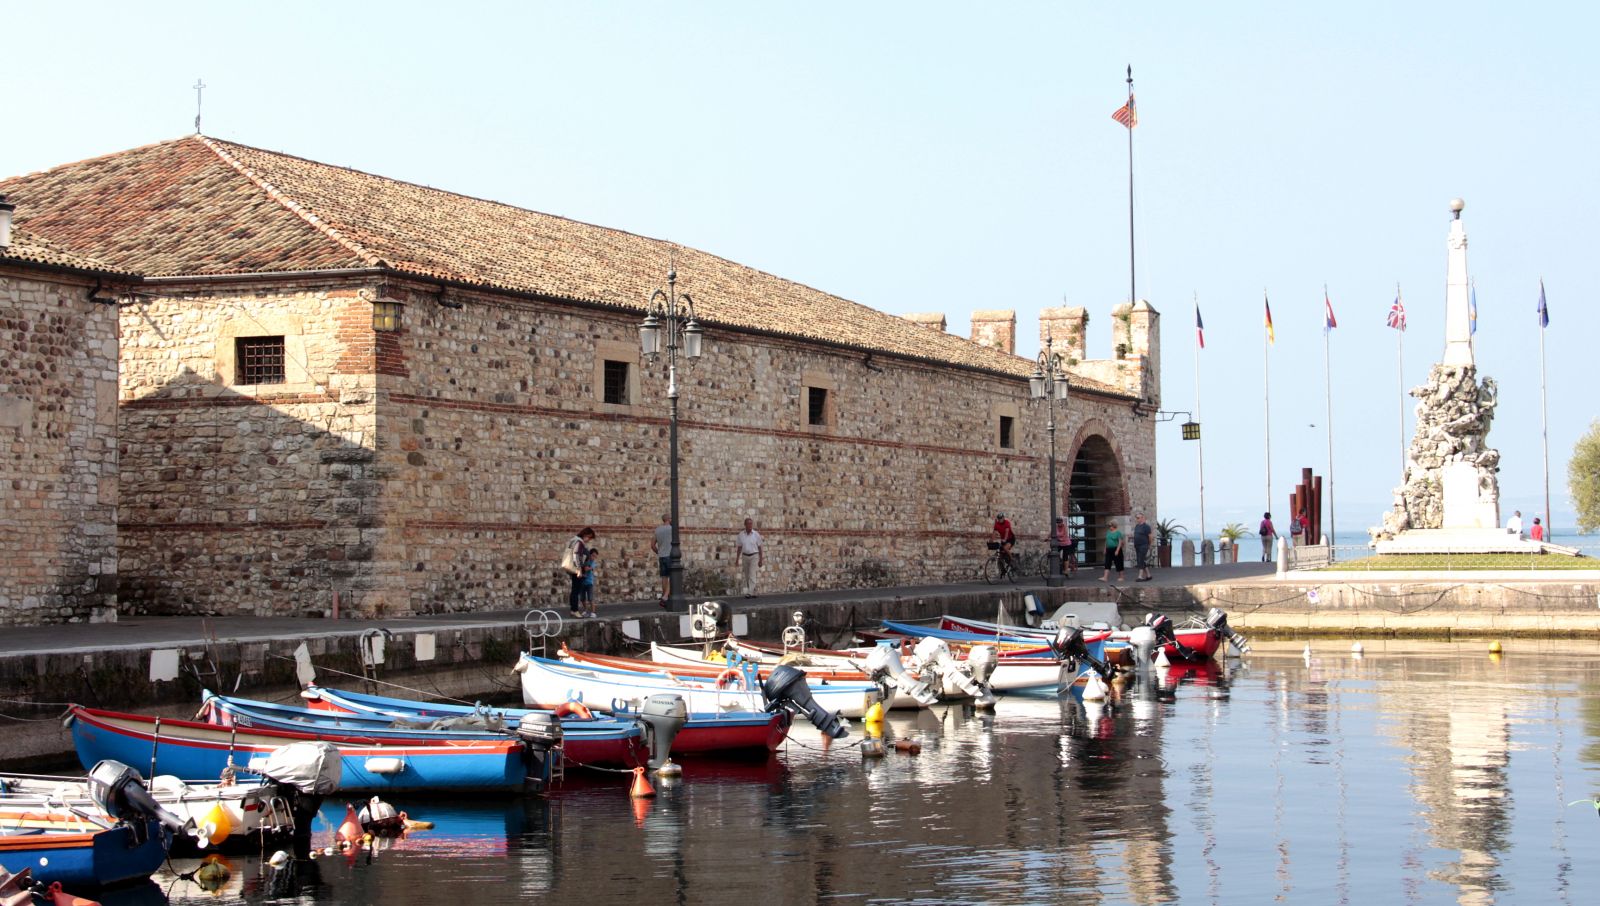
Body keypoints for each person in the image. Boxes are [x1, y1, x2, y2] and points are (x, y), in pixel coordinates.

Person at [564, 526, 596, 617]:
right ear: (586, 535)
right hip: (576, 569)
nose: (588, 540)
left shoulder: (574, 540)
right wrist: (579, 570)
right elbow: (576, 556)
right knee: (576, 590)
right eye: (589, 538)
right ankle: (575, 610)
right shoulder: (579, 542)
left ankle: (573, 610)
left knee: (574, 589)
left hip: (573, 569)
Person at [734, 517, 764, 598]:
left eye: (751, 524)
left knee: (752, 574)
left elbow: (760, 547)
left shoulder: (756, 534)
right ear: (745, 525)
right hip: (745, 556)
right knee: (747, 575)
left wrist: (761, 559)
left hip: (754, 556)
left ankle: (749, 593)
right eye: (748, 524)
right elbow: (739, 547)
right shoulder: (741, 535)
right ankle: (753, 591)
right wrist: (737, 559)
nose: (750, 525)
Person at [651, 514, 674, 608]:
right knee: (673, 577)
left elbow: (652, 545)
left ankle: (665, 599)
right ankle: (665, 597)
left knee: (664, 578)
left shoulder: (657, 530)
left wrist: (659, 552)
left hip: (662, 556)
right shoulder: (672, 529)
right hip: (670, 556)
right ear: (668, 519)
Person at [577, 548, 599, 618]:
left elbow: (587, 569)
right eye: (593, 555)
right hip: (582, 583)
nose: (593, 558)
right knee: (582, 598)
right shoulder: (585, 560)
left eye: (595, 556)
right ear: (589, 555)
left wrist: (585, 568)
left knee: (590, 598)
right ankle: (585, 610)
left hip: (589, 583)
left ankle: (593, 612)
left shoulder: (592, 563)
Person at [1132, 513, 1153, 581]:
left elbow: (1150, 537)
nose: (1137, 519)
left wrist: (1149, 545)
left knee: (1140, 559)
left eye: (1138, 518)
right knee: (1140, 560)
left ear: (1142, 518)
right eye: (1136, 518)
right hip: (1137, 546)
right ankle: (1149, 575)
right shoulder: (1137, 526)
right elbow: (1137, 535)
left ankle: (1140, 576)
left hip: (1144, 545)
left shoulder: (1146, 527)